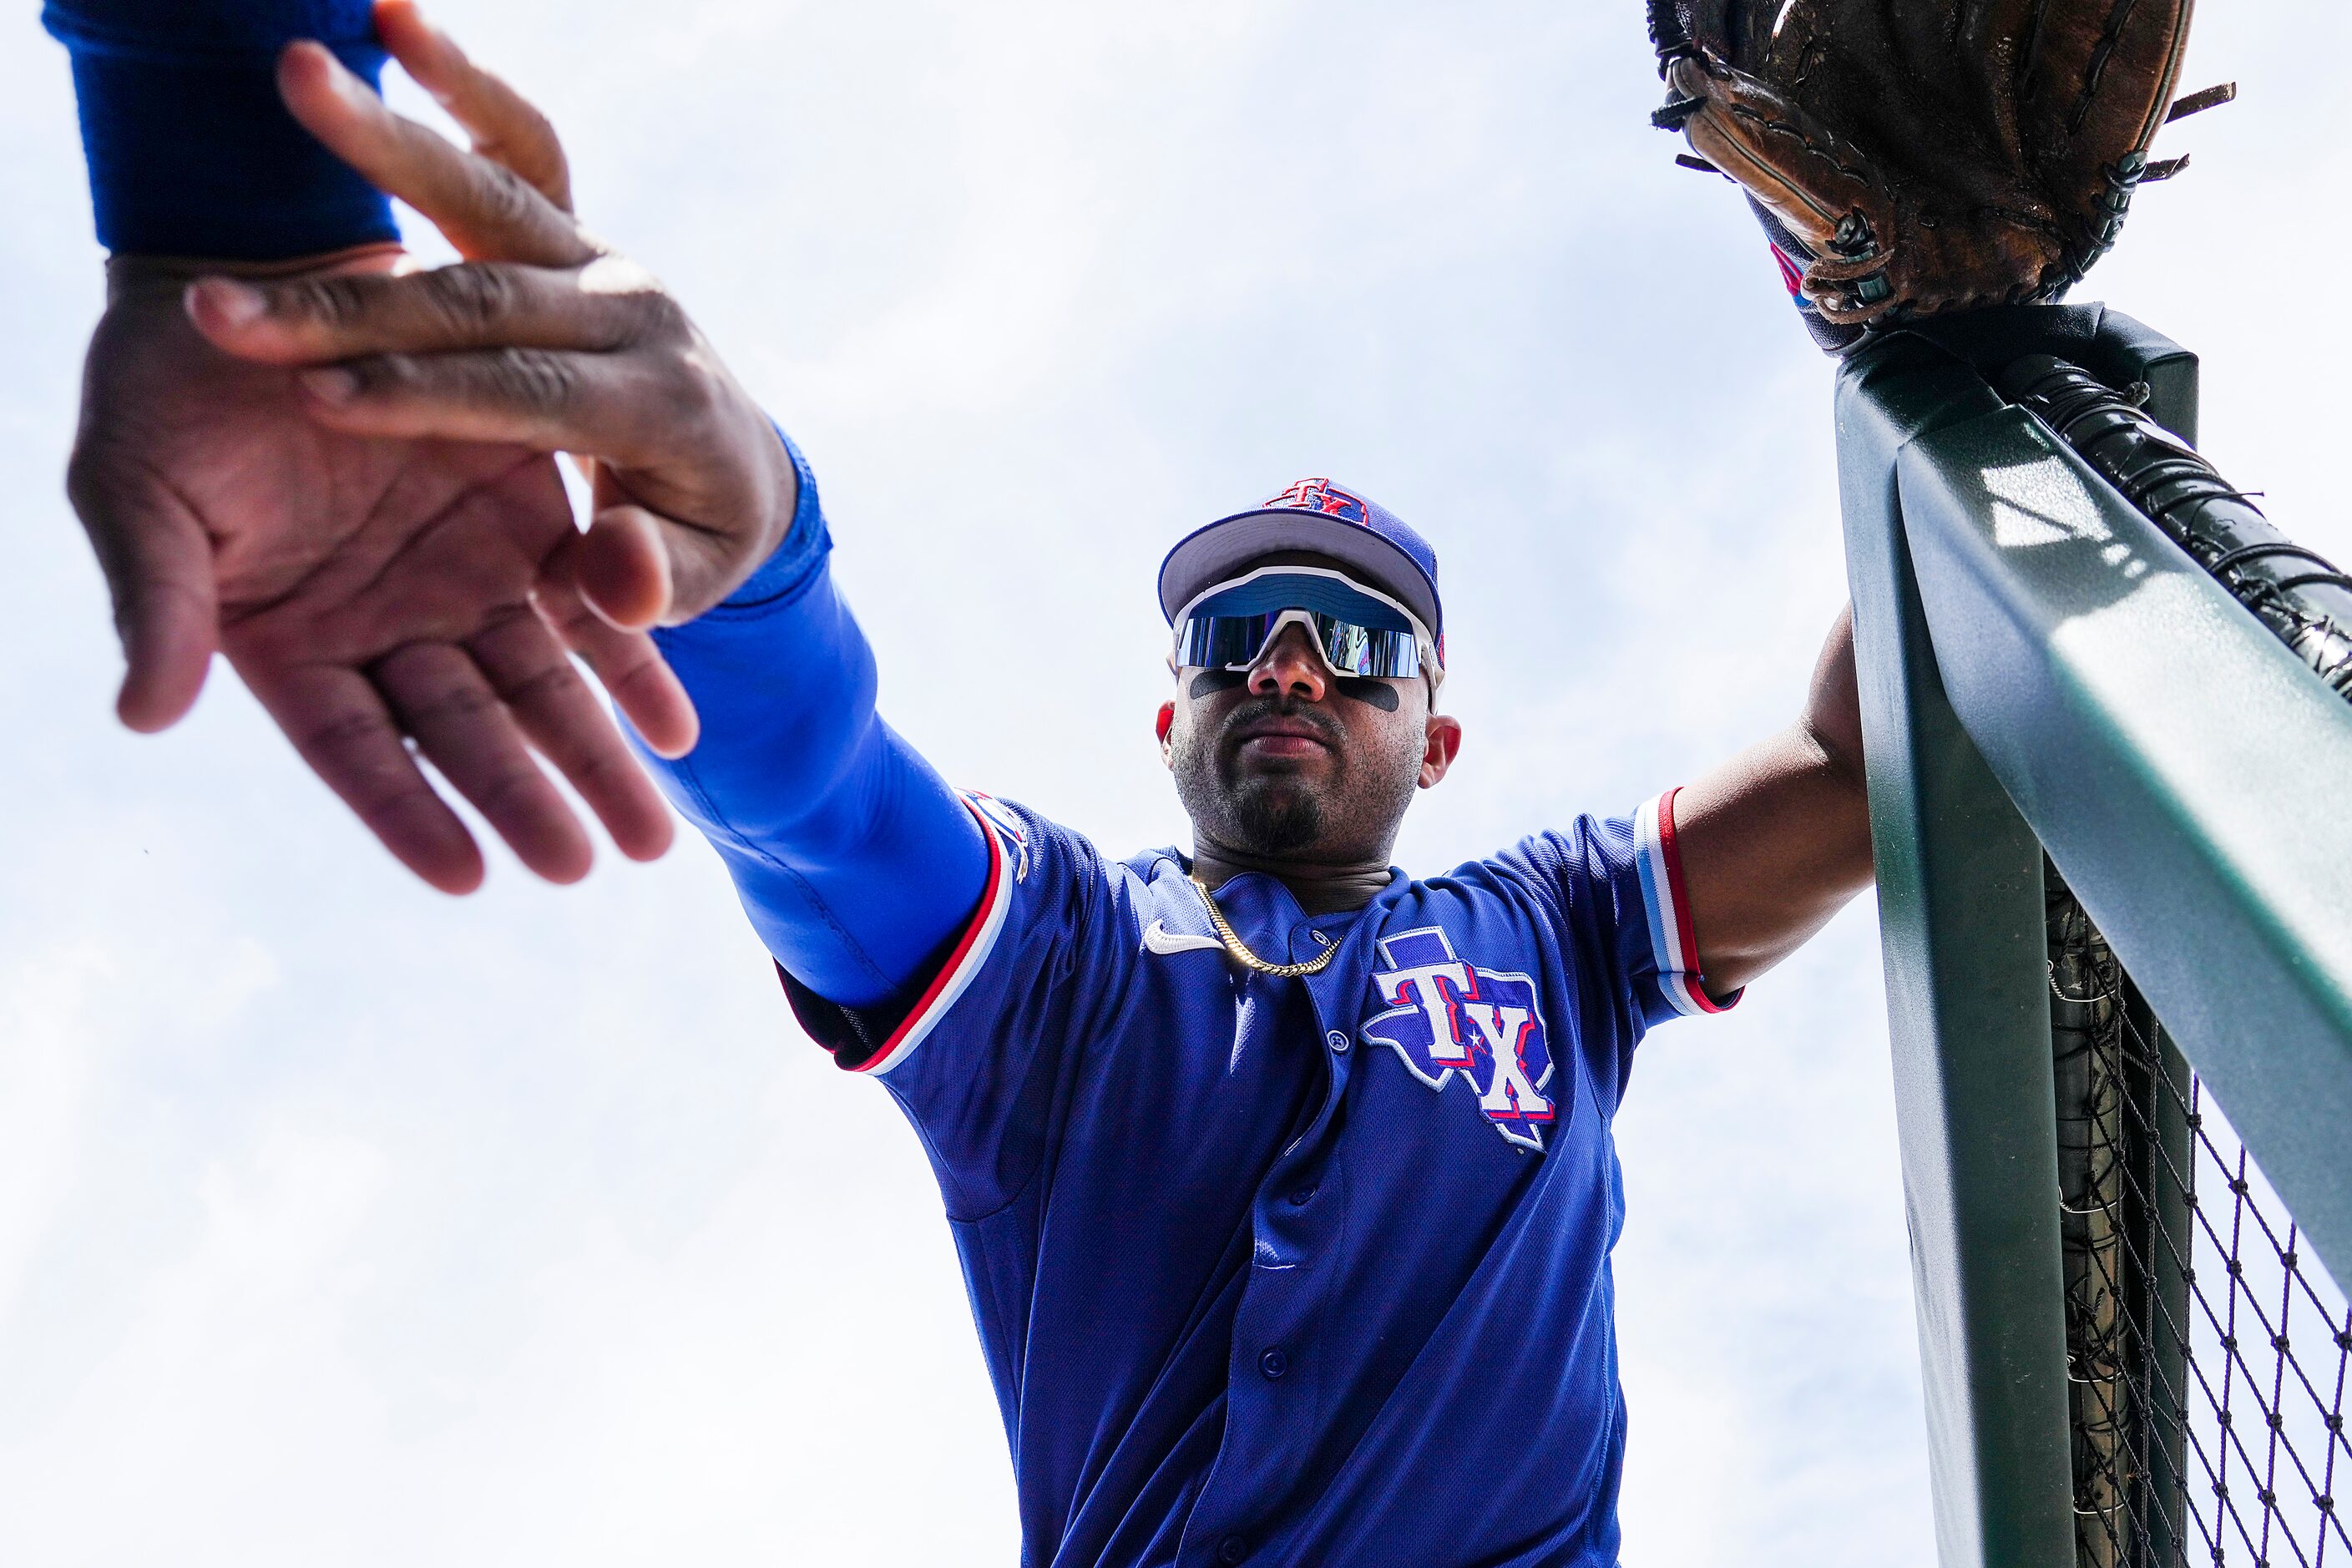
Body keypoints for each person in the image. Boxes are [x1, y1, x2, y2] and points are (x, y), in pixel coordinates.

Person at [43, 3, 1875, 1562]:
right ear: (1166, 725)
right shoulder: (1069, 964)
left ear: (1437, 738)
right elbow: (820, 803)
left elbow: (1850, 764)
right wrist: (749, 568)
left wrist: (1900, 344)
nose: (1292, 662)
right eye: (1236, 634)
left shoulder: (1553, 932)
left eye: (1354, 639)